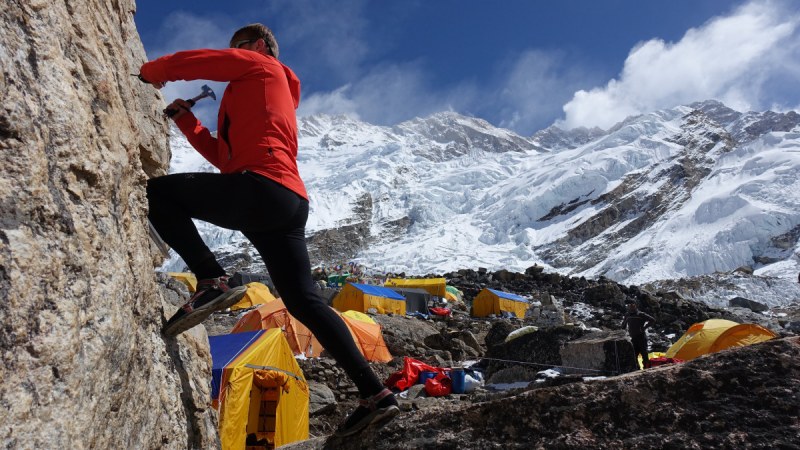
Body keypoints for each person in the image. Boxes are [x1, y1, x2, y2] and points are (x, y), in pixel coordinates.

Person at [137, 23, 398, 436]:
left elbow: (202, 61)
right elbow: (226, 159)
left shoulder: (262, 67)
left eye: (239, 47)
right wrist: (188, 121)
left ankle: (210, 278)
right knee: (304, 302)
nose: (235, 53)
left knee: (158, 194)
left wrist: (152, 72)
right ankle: (376, 395)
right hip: (288, 203)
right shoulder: (266, 98)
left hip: (262, 188)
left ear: (258, 47)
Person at [620, 300, 655, 369]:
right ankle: (637, 369)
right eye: (629, 305)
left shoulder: (641, 314)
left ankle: (647, 368)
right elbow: (623, 325)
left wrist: (644, 328)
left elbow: (652, 320)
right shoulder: (627, 315)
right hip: (633, 338)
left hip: (641, 337)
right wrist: (622, 330)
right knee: (634, 354)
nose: (631, 306)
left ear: (636, 306)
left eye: (633, 305)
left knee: (644, 353)